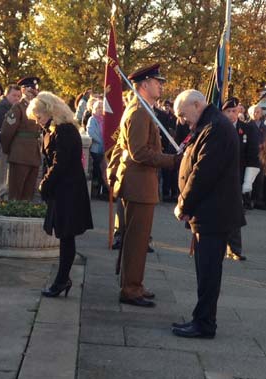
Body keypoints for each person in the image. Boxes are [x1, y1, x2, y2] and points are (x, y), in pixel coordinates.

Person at [172, 90, 245, 339]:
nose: (182, 120)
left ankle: (204, 323)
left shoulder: (215, 128)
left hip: (214, 214)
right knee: (205, 271)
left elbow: (203, 173)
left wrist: (183, 204)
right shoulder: (210, 125)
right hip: (209, 212)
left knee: (209, 272)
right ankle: (200, 319)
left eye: (183, 114)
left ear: (196, 104)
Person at [107, 63, 179, 307]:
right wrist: (173, 161)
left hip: (140, 182)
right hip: (138, 183)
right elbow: (139, 152)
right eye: (157, 81)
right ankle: (131, 289)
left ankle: (132, 282)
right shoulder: (139, 111)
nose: (161, 85)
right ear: (144, 84)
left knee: (135, 238)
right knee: (137, 240)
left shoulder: (143, 108)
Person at [26, 91, 93, 297]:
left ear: (50, 111)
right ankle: (62, 279)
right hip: (64, 188)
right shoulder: (54, 129)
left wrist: (44, 184)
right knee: (65, 236)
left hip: (69, 190)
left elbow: (60, 162)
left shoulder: (63, 130)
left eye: (39, 116)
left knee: (66, 236)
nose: (38, 122)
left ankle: (62, 280)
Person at [222, 97, 260, 261]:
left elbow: (253, 156)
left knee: (235, 214)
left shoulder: (246, 129)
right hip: (218, 177)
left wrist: (248, 181)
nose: (232, 115)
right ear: (223, 113)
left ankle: (235, 248)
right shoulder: (217, 128)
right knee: (217, 212)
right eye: (228, 111)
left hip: (237, 177)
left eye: (234, 111)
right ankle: (217, 246)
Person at [0, 77, 42, 201]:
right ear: (23, 90)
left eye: (35, 89)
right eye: (30, 89)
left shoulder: (40, 108)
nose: (33, 92)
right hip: (19, 155)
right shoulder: (17, 108)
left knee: (29, 193)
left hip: (34, 155)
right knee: (16, 192)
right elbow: (6, 133)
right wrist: (10, 151)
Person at [86, 99, 107, 199]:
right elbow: (91, 133)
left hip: (105, 150)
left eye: (101, 108)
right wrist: (101, 141)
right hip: (96, 149)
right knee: (97, 171)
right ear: (93, 109)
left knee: (104, 171)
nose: (100, 110)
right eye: (98, 108)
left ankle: (103, 191)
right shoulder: (92, 119)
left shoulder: (105, 120)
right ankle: (96, 192)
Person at [247, 104, 266, 209]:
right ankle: (247, 200)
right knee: (249, 179)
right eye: (254, 112)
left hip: (262, 156)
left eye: (258, 112)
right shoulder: (247, 125)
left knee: (260, 180)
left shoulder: (264, 127)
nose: (256, 113)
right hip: (251, 156)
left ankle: (257, 200)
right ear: (250, 113)